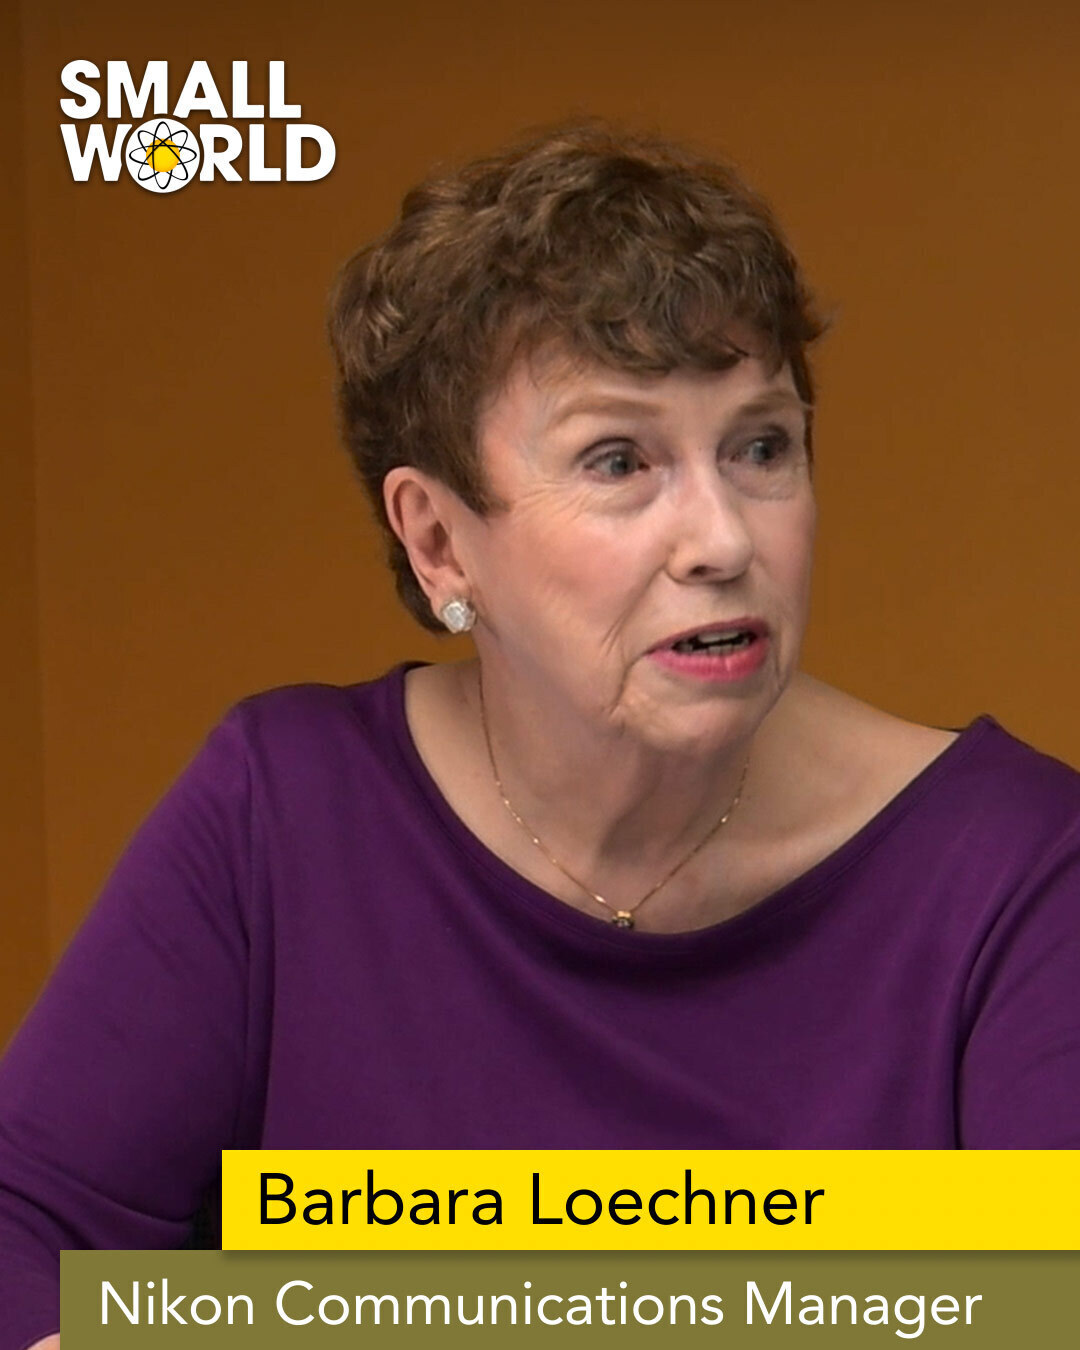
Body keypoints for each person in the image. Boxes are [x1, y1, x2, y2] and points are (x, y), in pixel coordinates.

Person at [3, 122, 1079, 1350]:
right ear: (437, 541)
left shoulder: (1017, 870)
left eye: (761, 447)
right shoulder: (285, 811)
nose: (724, 539)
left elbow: (1041, 1315)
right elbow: (25, 1222)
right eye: (619, 461)